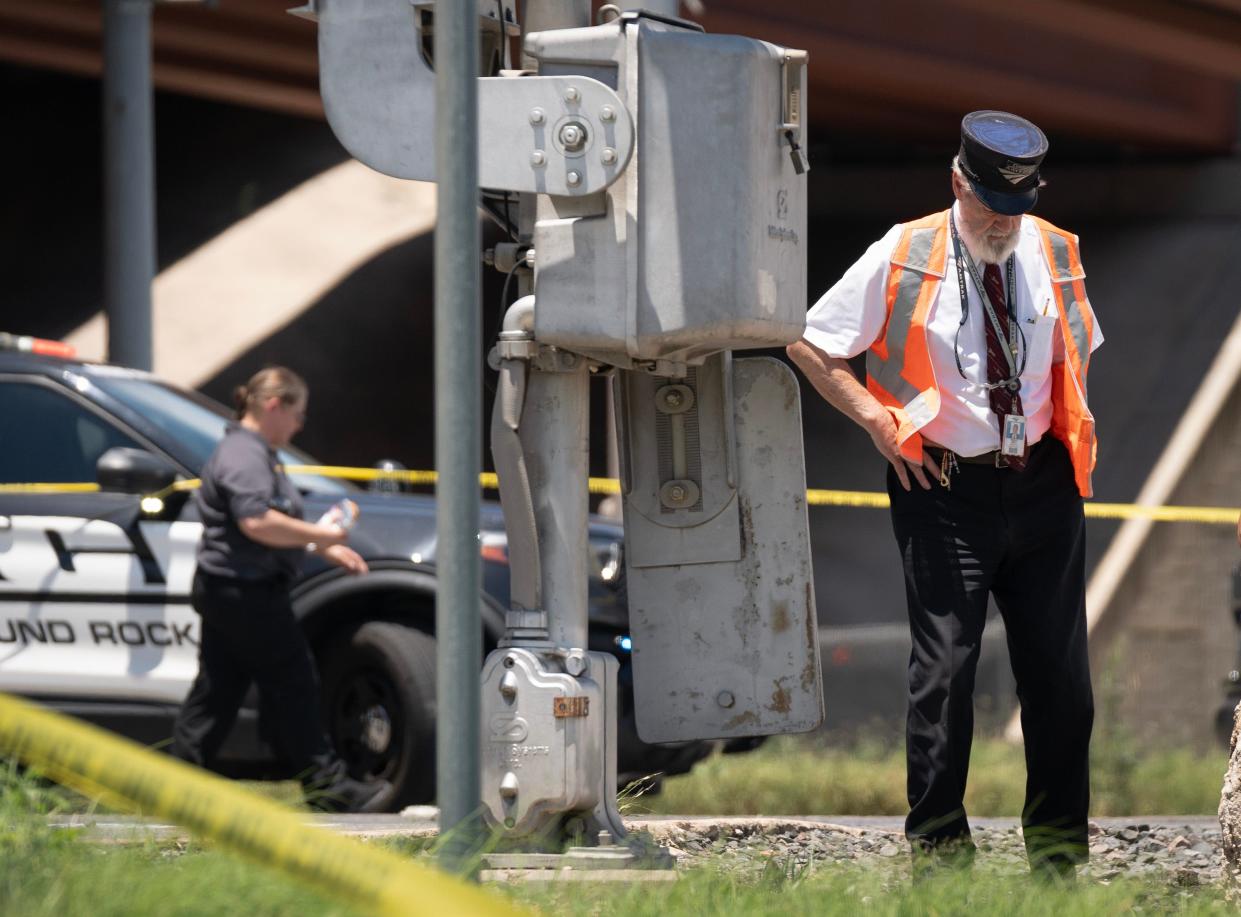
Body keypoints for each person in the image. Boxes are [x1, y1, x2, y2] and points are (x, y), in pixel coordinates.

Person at [787, 111, 1102, 878]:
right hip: (943, 491)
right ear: (956, 180)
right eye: (989, 203)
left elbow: (1072, 357)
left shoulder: (1053, 248)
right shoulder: (904, 249)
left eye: (1016, 206)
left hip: (1042, 487)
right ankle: (938, 855)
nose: (1003, 221)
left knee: (1061, 682)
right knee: (944, 675)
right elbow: (809, 340)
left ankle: (1058, 861)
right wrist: (876, 421)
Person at [171, 366, 389, 812]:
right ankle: (328, 789)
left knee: (217, 693)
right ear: (274, 405)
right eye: (298, 413)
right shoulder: (244, 455)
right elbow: (256, 522)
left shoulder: (253, 453)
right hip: (245, 590)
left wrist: (319, 545)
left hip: (232, 588)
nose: (300, 424)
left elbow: (267, 523)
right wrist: (322, 536)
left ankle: (175, 790)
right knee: (294, 684)